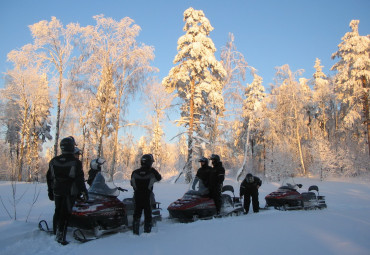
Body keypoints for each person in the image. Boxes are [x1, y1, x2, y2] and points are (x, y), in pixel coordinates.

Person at [46, 137, 88, 245]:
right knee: (65, 213)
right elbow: (79, 179)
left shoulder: (54, 160)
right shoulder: (75, 162)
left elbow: (49, 177)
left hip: (57, 190)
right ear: (71, 147)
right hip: (70, 191)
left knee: (57, 211)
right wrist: (84, 192)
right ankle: (60, 237)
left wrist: (50, 191)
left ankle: (56, 231)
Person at [130, 154, 162, 235]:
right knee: (147, 214)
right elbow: (159, 178)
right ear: (149, 163)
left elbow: (132, 183)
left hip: (137, 195)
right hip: (147, 196)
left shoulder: (135, 172)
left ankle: (135, 231)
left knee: (137, 214)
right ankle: (147, 231)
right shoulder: (151, 172)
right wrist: (153, 170)